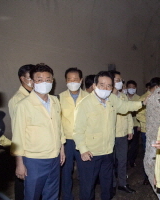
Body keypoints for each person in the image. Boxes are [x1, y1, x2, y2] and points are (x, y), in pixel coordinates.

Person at [73, 71, 146, 200]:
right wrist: (83, 150)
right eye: (102, 85)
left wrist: (141, 103)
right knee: (87, 187)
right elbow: (78, 130)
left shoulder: (112, 99)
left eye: (109, 86)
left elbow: (124, 106)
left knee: (107, 187)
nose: (105, 88)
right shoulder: (85, 104)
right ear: (95, 85)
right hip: (90, 153)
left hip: (107, 152)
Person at [11, 63, 66, 200]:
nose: (44, 82)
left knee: (52, 194)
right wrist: (19, 164)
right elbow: (18, 136)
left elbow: (59, 127)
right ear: (33, 82)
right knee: (32, 195)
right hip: (34, 160)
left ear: (52, 81)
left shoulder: (55, 101)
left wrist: (62, 148)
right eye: (40, 79)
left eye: (48, 79)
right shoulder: (23, 105)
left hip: (54, 157)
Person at [59, 67, 88, 200]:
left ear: (81, 81)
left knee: (85, 172)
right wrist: (60, 143)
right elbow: (58, 122)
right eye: (69, 79)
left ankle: (86, 196)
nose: (72, 82)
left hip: (84, 140)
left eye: (75, 79)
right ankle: (67, 197)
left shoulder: (88, 98)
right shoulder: (59, 98)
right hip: (67, 141)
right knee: (66, 172)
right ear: (66, 81)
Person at [8, 64, 35, 200]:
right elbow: (17, 131)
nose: (35, 81)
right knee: (22, 186)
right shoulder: (17, 100)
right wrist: (19, 161)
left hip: (37, 150)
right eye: (31, 77)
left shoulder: (37, 96)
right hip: (24, 149)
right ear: (22, 79)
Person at [110, 71, 136, 196]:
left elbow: (129, 113)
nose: (120, 82)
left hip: (122, 134)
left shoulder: (123, 96)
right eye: (117, 80)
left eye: (121, 80)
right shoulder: (106, 97)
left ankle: (122, 183)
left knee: (122, 160)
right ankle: (111, 184)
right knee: (110, 162)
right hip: (109, 135)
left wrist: (130, 129)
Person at [137, 77, 160, 185]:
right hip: (146, 131)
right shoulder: (143, 98)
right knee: (148, 155)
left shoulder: (158, 97)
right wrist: (151, 122)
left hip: (157, 131)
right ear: (156, 87)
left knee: (157, 154)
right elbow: (139, 114)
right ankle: (147, 176)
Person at [126, 80, 141, 168]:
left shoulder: (138, 98)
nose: (131, 89)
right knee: (126, 145)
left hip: (135, 125)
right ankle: (125, 161)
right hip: (125, 126)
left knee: (134, 145)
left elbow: (140, 113)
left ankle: (132, 161)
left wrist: (139, 125)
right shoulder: (123, 97)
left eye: (133, 88)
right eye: (130, 87)